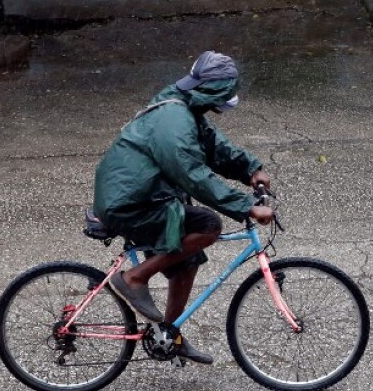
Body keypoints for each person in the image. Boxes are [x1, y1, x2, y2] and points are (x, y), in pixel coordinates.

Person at [93, 51, 274, 365]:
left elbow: (212, 144)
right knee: (208, 226)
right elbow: (192, 174)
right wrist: (245, 206)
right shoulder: (173, 119)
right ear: (213, 93)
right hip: (131, 204)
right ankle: (133, 278)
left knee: (187, 262)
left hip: (147, 197)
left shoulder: (186, 106)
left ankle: (169, 335)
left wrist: (250, 169)